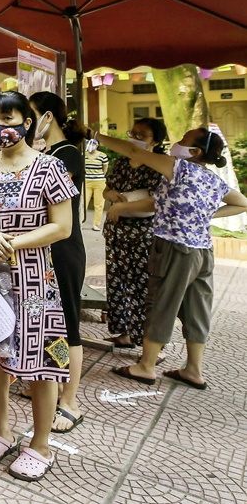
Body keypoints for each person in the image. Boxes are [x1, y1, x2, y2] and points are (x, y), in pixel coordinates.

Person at [0, 91, 76, 482]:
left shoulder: (50, 167)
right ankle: (2, 430)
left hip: (34, 280)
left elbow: (62, 227)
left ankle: (40, 444)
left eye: (6, 119)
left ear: (26, 123)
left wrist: (9, 242)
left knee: (41, 363)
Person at [90, 126, 247, 389]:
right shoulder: (211, 179)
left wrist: (94, 135)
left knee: (160, 304)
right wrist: (207, 216)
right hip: (203, 252)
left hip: (174, 248)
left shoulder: (179, 167)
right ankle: (193, 370)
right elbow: (241, 202)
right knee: (197, 309)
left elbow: (131, 150)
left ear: (195, 151)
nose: (177, 142)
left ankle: (146, 366)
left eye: (184, 140)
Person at [29, 91, 87, 434]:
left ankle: (70, 402)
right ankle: (52, 384)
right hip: (46, 249)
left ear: (46, 117)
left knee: (68, 326)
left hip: (63, 251)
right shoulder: (50, 152)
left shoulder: (66, 156)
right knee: (52, 323)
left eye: (29, 114)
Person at [101, 118, 167, 349]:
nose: (134, 139)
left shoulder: (160, 166)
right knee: (117, 282)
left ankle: (146, 341)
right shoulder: (121, 163)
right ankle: (124, 333)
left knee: (141, 286)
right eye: (133, 133)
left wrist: (123, 206)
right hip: (116, 231)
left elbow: (156, 202)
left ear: (156, 142)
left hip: (142, 235)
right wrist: (111, 197)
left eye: (142, 136)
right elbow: (107, 189)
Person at [84, 142, 110, 230]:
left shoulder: (102, 155)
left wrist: (102, 175)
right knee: (84, 202)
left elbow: (105, 167)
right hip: (87, 181)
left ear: (97, 145)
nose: (90, 145)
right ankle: (80, 221)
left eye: (93, 144)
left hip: (99, 181)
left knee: (99, 203)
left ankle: (96, 224)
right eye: (88, 143)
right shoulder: (84, 155)